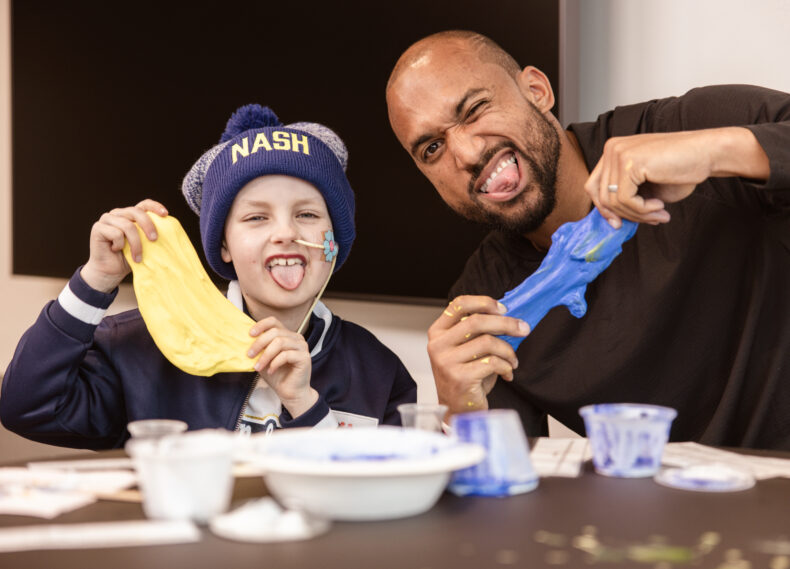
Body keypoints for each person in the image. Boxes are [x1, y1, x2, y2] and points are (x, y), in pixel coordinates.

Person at [386, 30, 790, 449]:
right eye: (432, 148)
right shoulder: (485, 305)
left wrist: (715, 152)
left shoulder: (689, 127)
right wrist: (459, 412)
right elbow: (510, 494)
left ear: (537, 91)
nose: (467, 154)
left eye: (474, 110)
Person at [0, 104, 417, 449]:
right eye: (256, 217)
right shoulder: (139, 347)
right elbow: (27, 408)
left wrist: (305, 405)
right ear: (224, 247)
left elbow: (387, 494)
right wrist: (95, 280)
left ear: (334, 242)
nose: (286, 233)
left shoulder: (379, 372)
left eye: (307, 215)